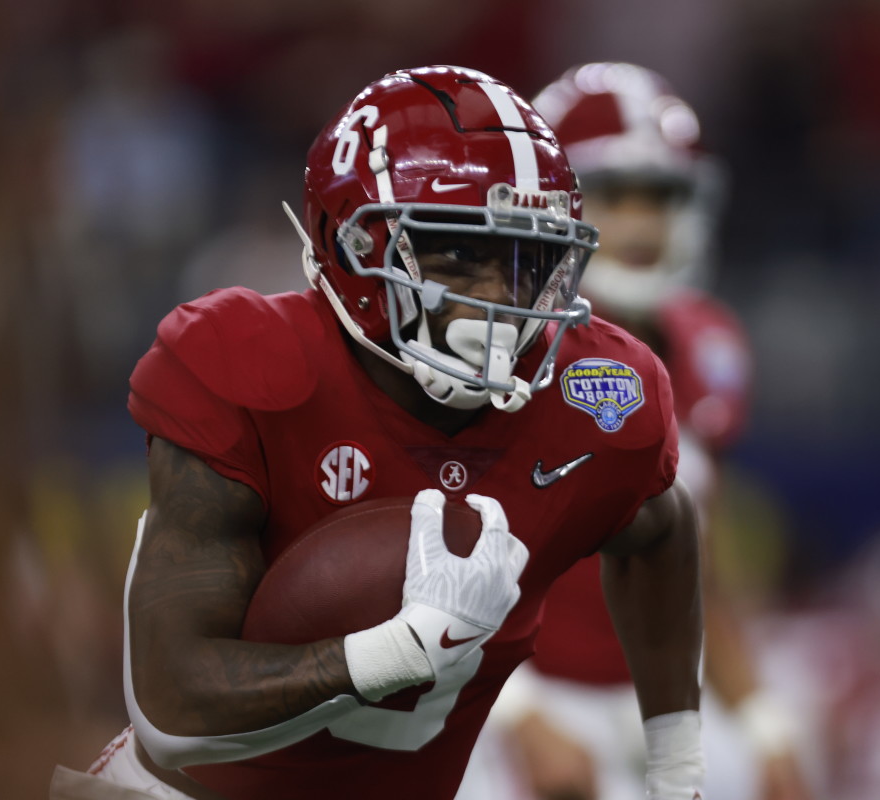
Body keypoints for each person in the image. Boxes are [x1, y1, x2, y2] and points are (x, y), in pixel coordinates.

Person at [49, 65, 705, 800]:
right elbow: (174, 711)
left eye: (528, 260)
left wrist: (676, 768)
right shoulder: (255, 367)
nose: (497, 300)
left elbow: (662, 531)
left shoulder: (597, 394)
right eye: (458, 254)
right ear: (350, 243)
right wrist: (397, 650)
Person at [457, 63, 811, 800]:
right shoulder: (492, 346)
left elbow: (699, 572)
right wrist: (518, 716)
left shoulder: (710, 346)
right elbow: (427, 565)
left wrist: (768, 723)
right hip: (497, 688)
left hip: (648, 693)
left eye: (664, 196)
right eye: (616, 196)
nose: (643, 224)